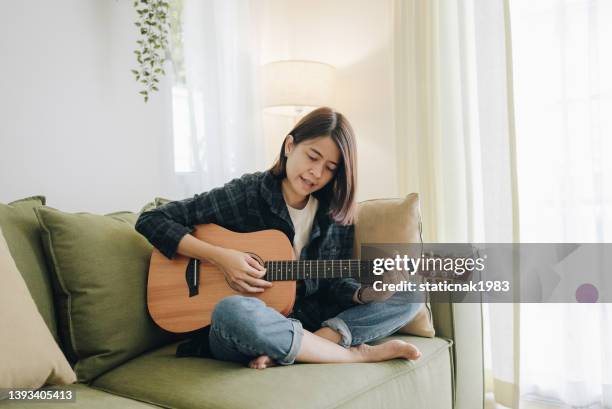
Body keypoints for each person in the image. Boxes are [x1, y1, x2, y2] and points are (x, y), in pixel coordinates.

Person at [136, 107, 423, 369]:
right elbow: (152, 219)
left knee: (413, 293)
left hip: (307, 322)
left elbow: (333, 283)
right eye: (312, 157)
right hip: (246, 326)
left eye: (330, 168)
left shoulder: (334, 214)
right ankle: (350, 353)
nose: (316, 172)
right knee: (231, 310)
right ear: (289, 145)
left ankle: (301, 346)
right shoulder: (248, 193)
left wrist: (365, 294)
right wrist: (221, 258)